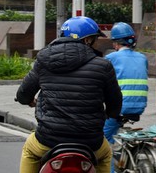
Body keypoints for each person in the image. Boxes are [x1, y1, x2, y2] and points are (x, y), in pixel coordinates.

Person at [16, 16, 122, 173]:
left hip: (48, 139)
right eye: (94, 39)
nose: (96, 43)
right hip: (90, 141)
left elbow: (23, 95)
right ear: (87, 40)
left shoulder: (43, 60)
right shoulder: (103, 65)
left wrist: (30, 101)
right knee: (106, 155)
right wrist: (109, 113)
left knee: (29, 151)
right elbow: (115, 103)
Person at [103, 21, 149, 168]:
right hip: (139, 106)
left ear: (116, 43)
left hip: (120, 107)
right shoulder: (142, 58)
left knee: (102, 140)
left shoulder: (111, 58)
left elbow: (101, 82)